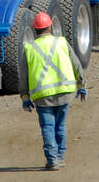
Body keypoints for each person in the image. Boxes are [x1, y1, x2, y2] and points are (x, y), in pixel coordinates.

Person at [20, 10, 86, 170]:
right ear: (50, 27)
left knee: (48, 127)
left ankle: (52, 160)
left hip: (42, 96)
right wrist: (81, 85)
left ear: (35, 30)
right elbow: (76, 64)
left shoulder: (29, 48)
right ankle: (61, 157)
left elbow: (24, 75)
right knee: (60, 125)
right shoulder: (62, 42)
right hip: (65, 92)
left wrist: (24, 97)